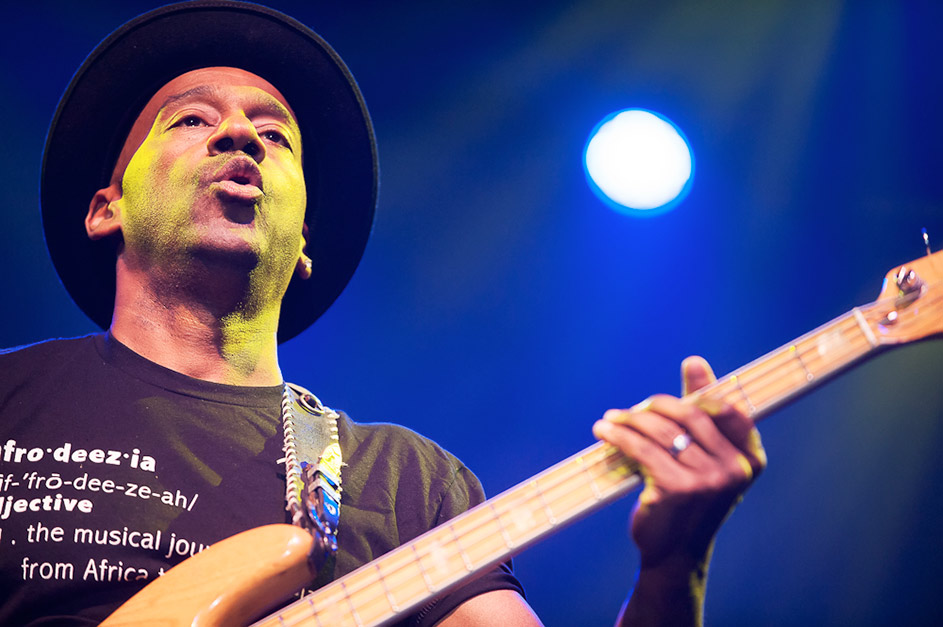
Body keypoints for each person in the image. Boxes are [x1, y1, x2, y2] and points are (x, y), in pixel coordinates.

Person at [0, 2, 766, 625]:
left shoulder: (406, 483)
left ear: (304, 241)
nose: (240, 135)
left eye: (275, 135)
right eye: (191, 120)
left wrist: (673, 568)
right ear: (106, 208)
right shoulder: (12, 399)